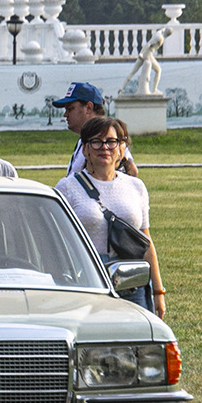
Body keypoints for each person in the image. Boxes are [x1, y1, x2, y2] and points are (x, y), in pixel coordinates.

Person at [55, 116, 165, 318]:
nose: (104, 147)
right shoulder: (67, 187)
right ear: (85, 149)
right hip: (88, 278)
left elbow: (146, 242)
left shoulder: (135, 186)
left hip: (132, 279)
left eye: (111, 142)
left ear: (121, 149)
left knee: (135, 339)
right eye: (96, 142)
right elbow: (56, 244)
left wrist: (158, 291)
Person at [52, 82, 138, 178]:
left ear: (89, 108)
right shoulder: (83, 141)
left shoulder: (110, 144)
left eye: (70, 109)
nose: (65, 114)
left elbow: (131, 172)